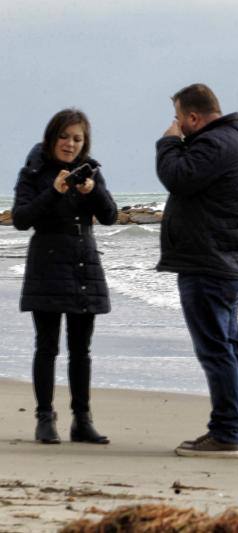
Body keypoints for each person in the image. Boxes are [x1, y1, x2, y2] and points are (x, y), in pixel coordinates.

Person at [155, 83, 238, 458]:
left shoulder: (215, 144)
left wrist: (167, 142)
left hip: (210, 263)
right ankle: (229, 429)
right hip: (228, 261)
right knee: (229, 348)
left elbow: (177, 177)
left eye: (180, 120)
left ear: (193, 117)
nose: (178, 126)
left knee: (217, 350)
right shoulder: (237, 138)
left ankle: (227, 434)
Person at [12, 109, 118, 445]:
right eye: (64, 137)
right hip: (46, 260)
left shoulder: (91, 173)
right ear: (51, 136)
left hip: (83, 262)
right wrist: (54, 191)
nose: (70, 144)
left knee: (80, 349)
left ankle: (82, 420)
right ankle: (45, 418)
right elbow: (21, 218)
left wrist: (92, 192)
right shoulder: (33, 172)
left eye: (77, 139)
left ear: (84, 143)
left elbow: (111, 216)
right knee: (46, 347)